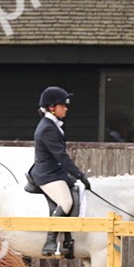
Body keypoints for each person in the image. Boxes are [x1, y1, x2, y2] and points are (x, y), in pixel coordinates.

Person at [30, 86, 91, 258]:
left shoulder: (52, 125)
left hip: (55, 172)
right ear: (52, 107)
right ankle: (50, 240)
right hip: (47, 175)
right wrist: (79, 175)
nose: (66, 108)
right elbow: (61, 156)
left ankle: (68, 239)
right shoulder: (47, 128)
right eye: (62, 105)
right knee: (66, 201)